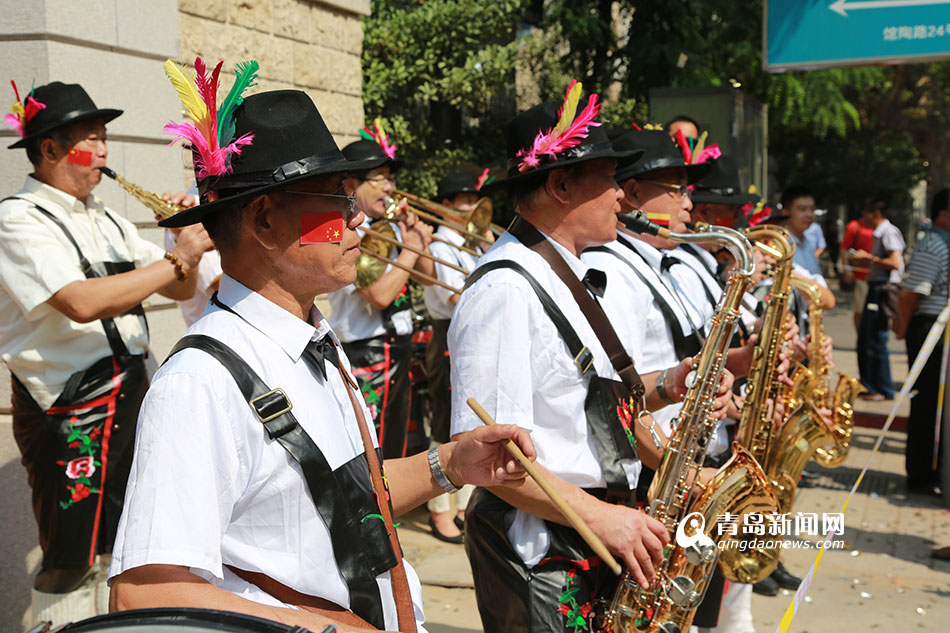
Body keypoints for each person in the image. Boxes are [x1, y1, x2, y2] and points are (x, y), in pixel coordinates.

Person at [108, 87, 537, 632]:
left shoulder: (315, 337)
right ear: (264, 222)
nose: (357, 218)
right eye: (339, 200)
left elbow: (341, 496)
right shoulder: (199, 382)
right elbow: (145, 594)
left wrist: (449, 465)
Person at [448, 87, 737, 633]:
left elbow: (587, 405)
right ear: (559, 184)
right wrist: (605, 517)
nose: (622, 198)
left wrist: (670, 381)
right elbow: (489, 462)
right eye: (608, 180)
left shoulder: (569, 275)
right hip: (546, 552)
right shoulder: (506, 290)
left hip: (594, 533)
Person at [0, 80, 211, 624]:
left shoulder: (111, 220)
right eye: (89, 140)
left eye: (104, 138)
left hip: (132, 393)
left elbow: (180, 290)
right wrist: (176, 259)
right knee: (71, 554)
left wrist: (179, 244)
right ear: (49, 149)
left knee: (129, 543)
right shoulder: (17, 218)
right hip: (71, 407)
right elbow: (80, 302)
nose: (103, 153)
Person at [328, 136, 435, 458]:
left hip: (397, 344)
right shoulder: (342, 232)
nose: (390, 187)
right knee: (374, 449)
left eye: (390, 178)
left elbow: (428, 278)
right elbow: (379, 296)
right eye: (381, 179)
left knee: (396, 444)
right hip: (369, 352)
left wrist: (412, 237)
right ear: (351, 185)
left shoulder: (381, 227)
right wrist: (411, 250)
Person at [422, 172, 487, 543]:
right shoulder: (442, 243)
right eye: (462, 201)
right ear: (444, 207)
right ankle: (438, 511)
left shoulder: (471, 242)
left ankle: (462, 506)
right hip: (447, 332)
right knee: (443, 424)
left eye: (471, 200)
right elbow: (454, 298)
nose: (469, 207)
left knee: (468, 424)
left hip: (469, 334)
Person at [894, 188, 948, 497]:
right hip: (930, 330)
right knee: (927, 401)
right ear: (944, 214)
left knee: (938, 403)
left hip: (941, 333)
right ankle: (920, 473)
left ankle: (934, 466)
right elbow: (912, 294)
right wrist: (902, 326)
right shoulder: (933, 244)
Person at [851, 198, 905, 400]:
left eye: (865, 212)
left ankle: (881, 388)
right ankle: (871, 385)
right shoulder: (880, 233)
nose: (863, 217)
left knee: (875, 340)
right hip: (876, 288)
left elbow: (894, 262)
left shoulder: (888, 232)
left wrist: (869, 259)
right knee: (867, 339)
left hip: (882, 290)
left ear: (875, 213)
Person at [840, 203, 877, 329]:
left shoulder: (879, 226)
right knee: (860, 310)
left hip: (876, 276)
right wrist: (847, 270)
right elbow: (844, 249)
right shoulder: (854, 226)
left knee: (874, 312)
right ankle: (861, 337)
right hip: (859, 275)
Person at [779, 185, 823, 276]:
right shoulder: (780, 245)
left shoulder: (809, 242)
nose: (809, 214)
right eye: (802, 209)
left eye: (812, 209)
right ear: (785, 213)